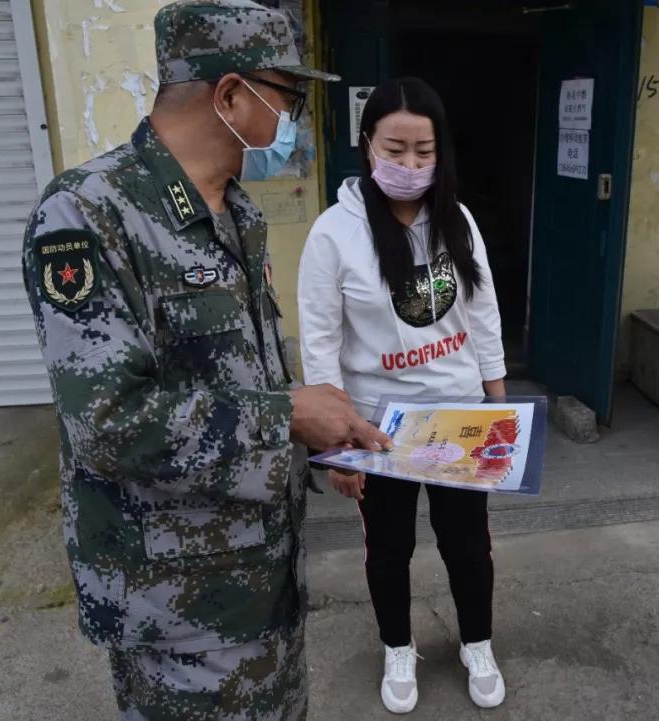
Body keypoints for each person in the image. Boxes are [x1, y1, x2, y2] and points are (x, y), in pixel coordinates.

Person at [20, 2, 391, 719]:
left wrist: (319, 443)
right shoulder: (88, 215)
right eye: (288, 96)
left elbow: (242, 377)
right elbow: (108, 422)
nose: (294, 118)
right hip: (178, 607)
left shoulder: (235, 213)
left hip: (263, 580)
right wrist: (289, 414)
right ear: (230, 96)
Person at [297, 77, 508, 714]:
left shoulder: (458, 219)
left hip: (459, 415)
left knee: (467, 542)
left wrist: (501, 412)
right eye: (396, 149)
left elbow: (484, 315)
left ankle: (477, 642)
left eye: (425, 151)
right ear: (367, 146)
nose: (411, 165)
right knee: (388, 548)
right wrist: (336, 445)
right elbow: (319, 342)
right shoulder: (334, 233)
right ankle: (398, 646)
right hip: (377, 427)